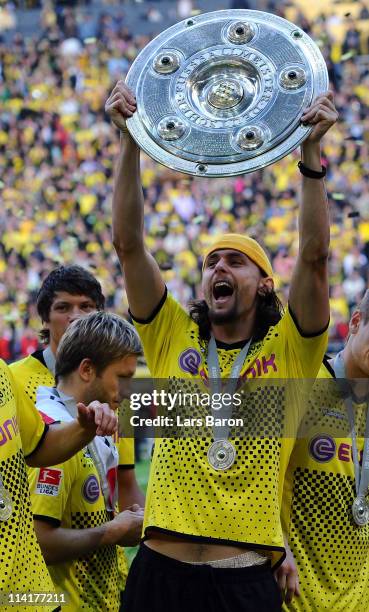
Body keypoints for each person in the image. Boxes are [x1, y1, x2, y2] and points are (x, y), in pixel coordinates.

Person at [105, 80, 337, 610]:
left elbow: (315, 257)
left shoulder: (292, 350)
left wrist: (310, 155)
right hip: (158, 574)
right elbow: (128, 244)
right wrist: (129, 142)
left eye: (234, 261)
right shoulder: (170, 335)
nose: (218, 269)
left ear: (265, 284)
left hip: (244, 581)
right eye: (211, 262)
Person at [28, 311, 144, 612]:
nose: (129, 390)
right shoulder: (53, 434)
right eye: (123, 378)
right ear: (87, 370)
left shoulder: (89, 425)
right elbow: (38, 542)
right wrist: (114, 532)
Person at [10, 265, 144, 514]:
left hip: (101, 544)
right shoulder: (13, 379)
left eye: (85, 306)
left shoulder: (115, 388)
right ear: (44, 318)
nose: (76, 316)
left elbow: (125, 482)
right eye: (63, 307)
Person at [0, 358, 116, 612]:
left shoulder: (1, 372)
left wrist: (84, 429)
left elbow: (39, 446)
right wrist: (109, 533)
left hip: (33, 594)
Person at [278, 290, 369, 611]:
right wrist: (278, 548)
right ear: (356, 322)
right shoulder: (302, 384)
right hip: (294, 598)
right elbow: (257, 483)